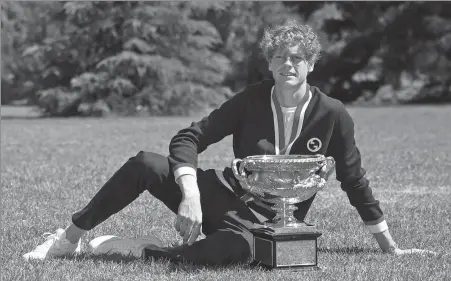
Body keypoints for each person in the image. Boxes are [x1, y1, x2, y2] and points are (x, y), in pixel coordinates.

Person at [24, 19, 435, 265]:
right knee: (143, 164)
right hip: (221, 196)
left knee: (236, 253)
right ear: (270, 63)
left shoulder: (333, 114)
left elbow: (353, 179)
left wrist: (390, 248)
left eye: (296, 58)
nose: (287, 64)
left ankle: (139, 250)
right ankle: (67, 240)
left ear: (311, 63)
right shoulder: (251, 99)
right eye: (279, 57)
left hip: (265, 223)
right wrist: (190, 195)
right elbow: (189, 138)